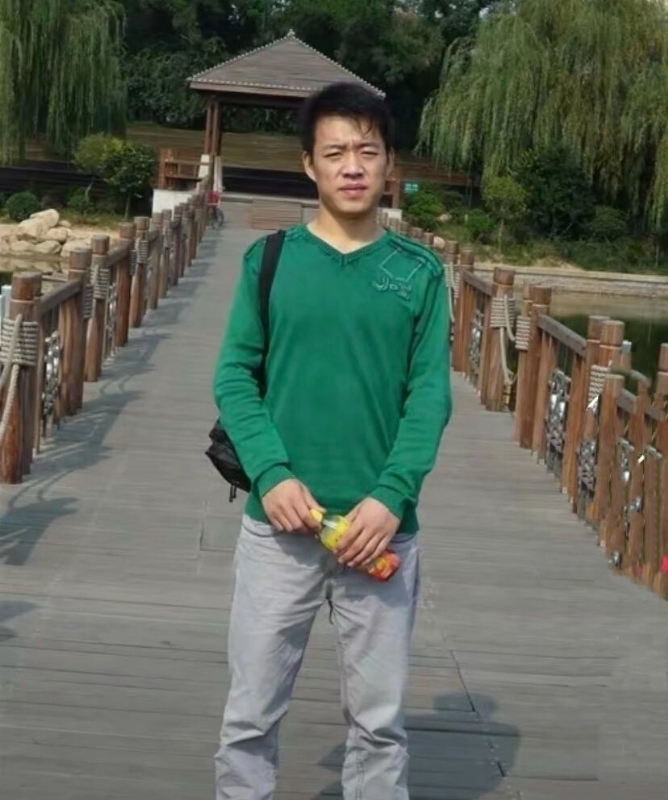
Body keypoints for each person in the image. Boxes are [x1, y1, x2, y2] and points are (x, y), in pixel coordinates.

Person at [212, 81, 452, 800]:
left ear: (389, 164)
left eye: (367, 152)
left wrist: (391, 495)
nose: (352, 166)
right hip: (280, 528)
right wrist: (271, 474)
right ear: (309, 165)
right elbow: (234, 377)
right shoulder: (270, 260)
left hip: (380, 534)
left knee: (378, 724)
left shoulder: (419, 273)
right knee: (249, 717)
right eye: (336, 152)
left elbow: (429, 398)